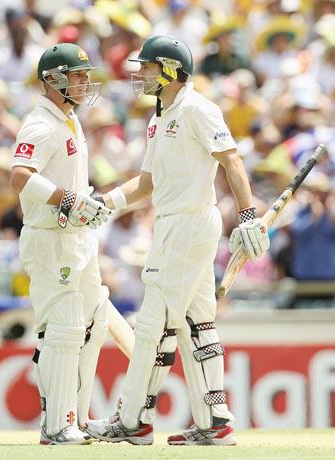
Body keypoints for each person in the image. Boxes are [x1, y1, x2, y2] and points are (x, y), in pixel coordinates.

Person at [87, 35, 270, 446]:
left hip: (188, 225)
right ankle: (215, 421)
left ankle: (133, 421)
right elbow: (147, 183)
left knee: (153, 324)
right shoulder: (159, 117)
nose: (142, 74)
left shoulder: (199, 109)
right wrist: (107, 201)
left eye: (149, 67)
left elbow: (232, 160)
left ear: (171, 69)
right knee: (198, 324)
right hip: (171, 225)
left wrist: (246, 214)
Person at [10, 42, 117, 445]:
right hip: (50, 239)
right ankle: (57, 423)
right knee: (66, 327)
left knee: (94, 322)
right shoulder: (40, 124)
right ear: (53, 79)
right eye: (77, 75)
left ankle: (78, 415)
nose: (86, 82)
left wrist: (83, 203)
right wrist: (69, 200)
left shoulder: (69, 119)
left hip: (76, 236)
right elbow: (19, 176)